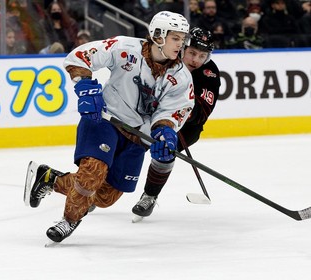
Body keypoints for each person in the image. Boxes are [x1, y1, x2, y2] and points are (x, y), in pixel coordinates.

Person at [23, 11, 194, 243]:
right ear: (158, 36)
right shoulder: (125, 48)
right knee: (92, 172)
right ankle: (69, 220)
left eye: (183, 39)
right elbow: (80, 56)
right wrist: (85, 86)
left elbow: (173, 110)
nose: (181, 44)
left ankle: (49, 179)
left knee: (105, 196)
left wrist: (164, 131)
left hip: (138, 136)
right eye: (176, 38)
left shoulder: (181, 77)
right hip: (105, 119)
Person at [131, 27, 221, 221]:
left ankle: (149, 195)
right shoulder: (166, 59)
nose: (195, 60)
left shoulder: (209, 73)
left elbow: (202, 112)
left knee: (164, 153)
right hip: (148, 117)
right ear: (182, 49)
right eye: (192, 53)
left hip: (186, 128)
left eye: (202, 55)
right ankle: (105, 187)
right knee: (130, 148)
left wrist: (177, 110)